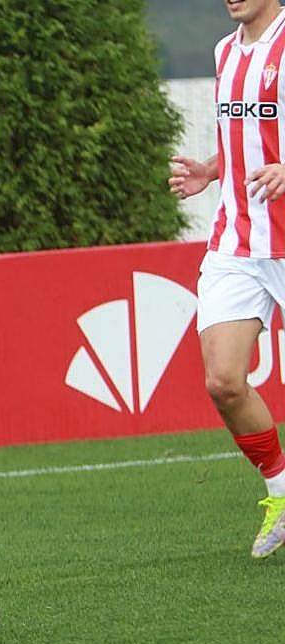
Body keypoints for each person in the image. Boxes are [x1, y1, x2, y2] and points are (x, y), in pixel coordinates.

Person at [170, 0, 285, 558]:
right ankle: (282, 494)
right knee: (223, 380)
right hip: (237, 241)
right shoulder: (224, 51)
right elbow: (247, 134)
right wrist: (210, 171)